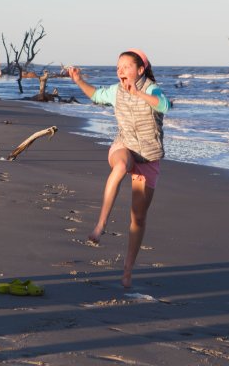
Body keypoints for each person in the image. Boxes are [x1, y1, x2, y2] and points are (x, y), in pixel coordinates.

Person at [68, 49, 170, 288]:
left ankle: (127, 270)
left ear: (140, 70)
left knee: (138, 217)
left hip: (148, 157)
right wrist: (79, 80)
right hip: (124, 146)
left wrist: (138, 93)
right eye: (118, 67)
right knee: (121, 165)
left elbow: (164, 105)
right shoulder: (115, 91)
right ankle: (100, 224)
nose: (121, 70)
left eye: (126, 66)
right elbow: (96, 95)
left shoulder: (151, 89)